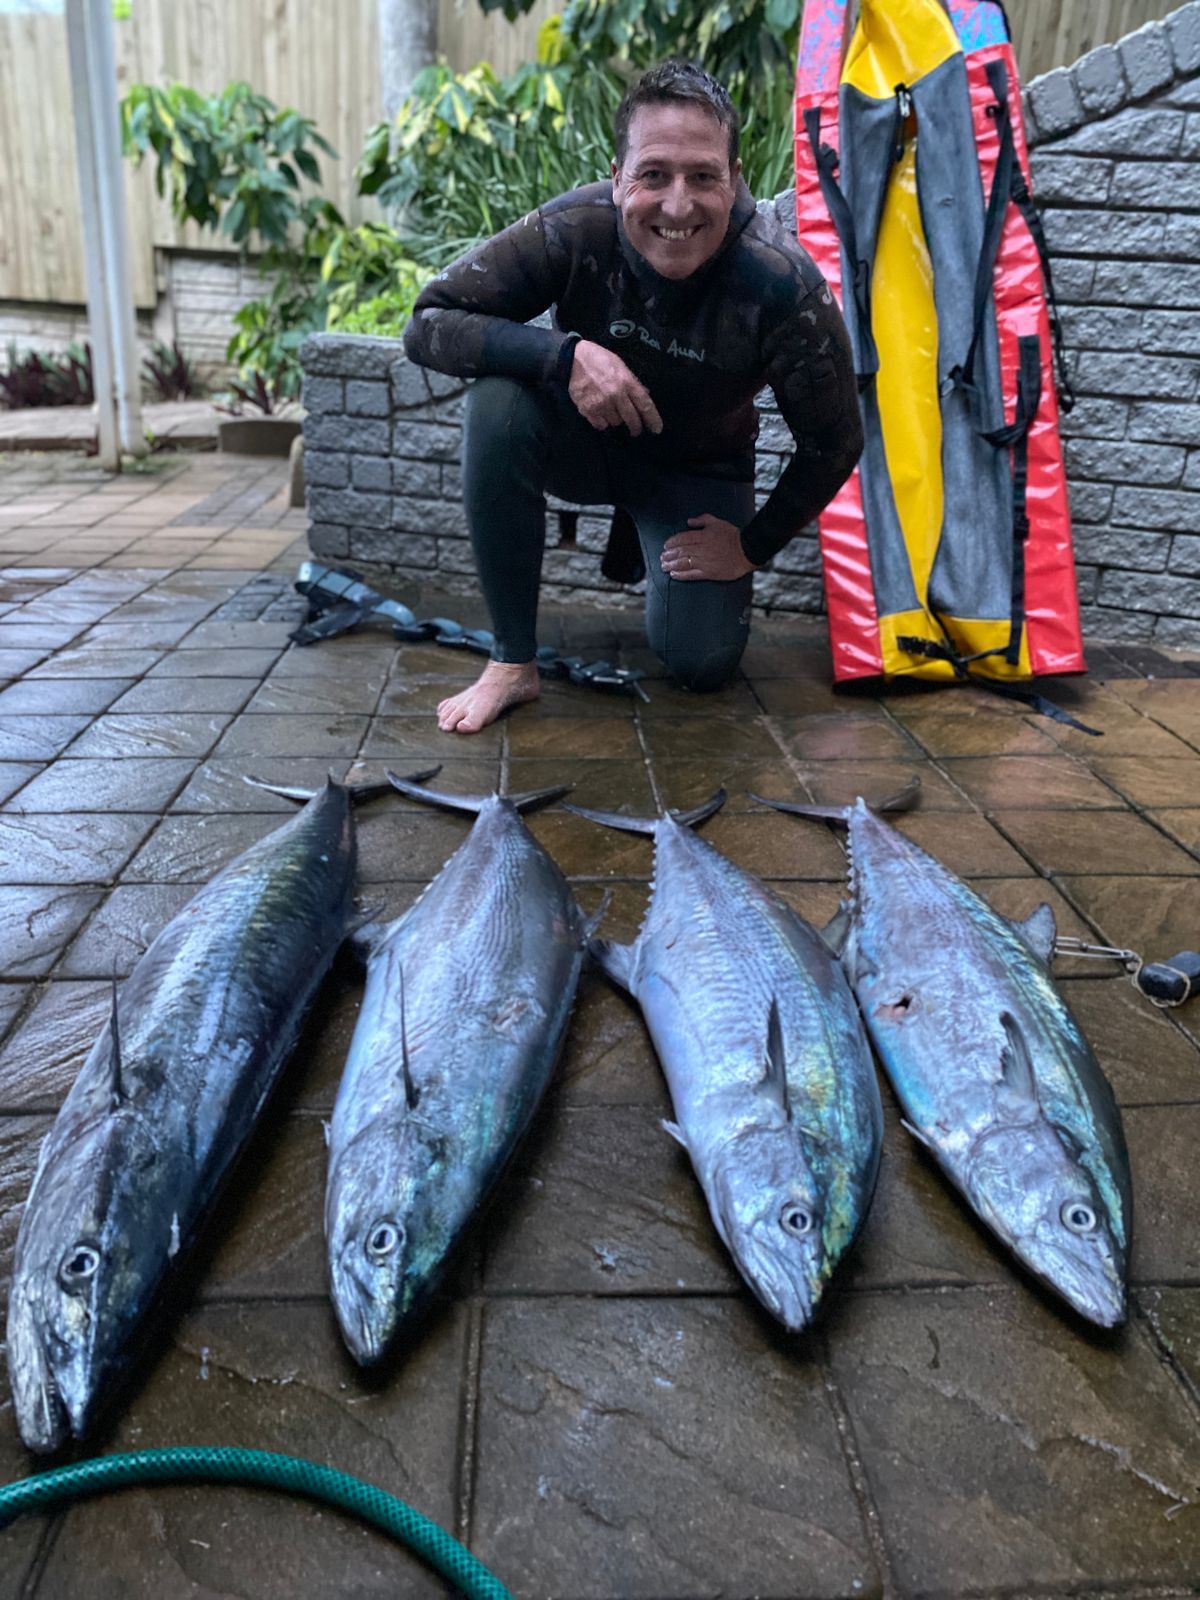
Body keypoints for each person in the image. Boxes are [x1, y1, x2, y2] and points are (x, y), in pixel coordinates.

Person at [403, 57, 863, 734]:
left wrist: (752, 544)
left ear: (735, 178)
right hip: (582, 445)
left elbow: (836, 441)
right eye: (653, 175)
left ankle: (662, 557)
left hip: (697, 470)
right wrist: (564, 355)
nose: (677, 205)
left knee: (702, 664)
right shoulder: (575, 227)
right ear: (618, 177)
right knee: (497, 402)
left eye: (702, 176)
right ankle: (511, 662)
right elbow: (428, 322)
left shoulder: (780, 282)